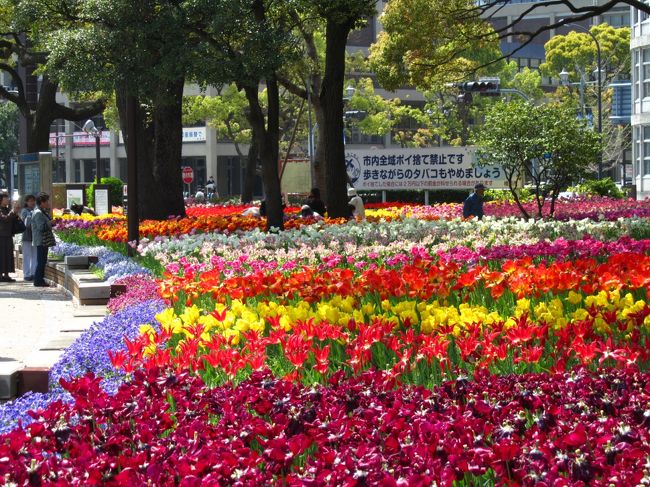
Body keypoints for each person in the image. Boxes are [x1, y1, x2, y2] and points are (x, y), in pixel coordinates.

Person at [31, 193, 55, 288]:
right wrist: (50, 222)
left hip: (44, 240)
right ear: (42, 202)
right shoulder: (38, 213)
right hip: (41, 240)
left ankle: (40, 279)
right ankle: (38, 280)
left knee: (42, 260)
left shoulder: (42, 211)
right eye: (46, 201)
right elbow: (41, 227)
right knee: (41, 261)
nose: (48, 203)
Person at [0, 193, 22, 282]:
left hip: (8, 235)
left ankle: (6, 275)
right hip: (1, 236)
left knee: (8, 255)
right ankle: (1, 275)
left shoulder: (7, 209)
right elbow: (5, 218)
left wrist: (16, 211)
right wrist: (13, 211)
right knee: (2, 255)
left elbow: (14, 219)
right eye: (6, 198)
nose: (8, 200)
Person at [20, 195, 37, 281]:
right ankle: (26, 274)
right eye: (30, 201)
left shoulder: (36, 210)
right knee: (26, 256)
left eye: (33, 201)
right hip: (26, 236)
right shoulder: (24, 211)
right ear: (26, 202)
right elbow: (25, 223)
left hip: (35, 237)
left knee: (35, 256)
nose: (32, 202)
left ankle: (33, 273)